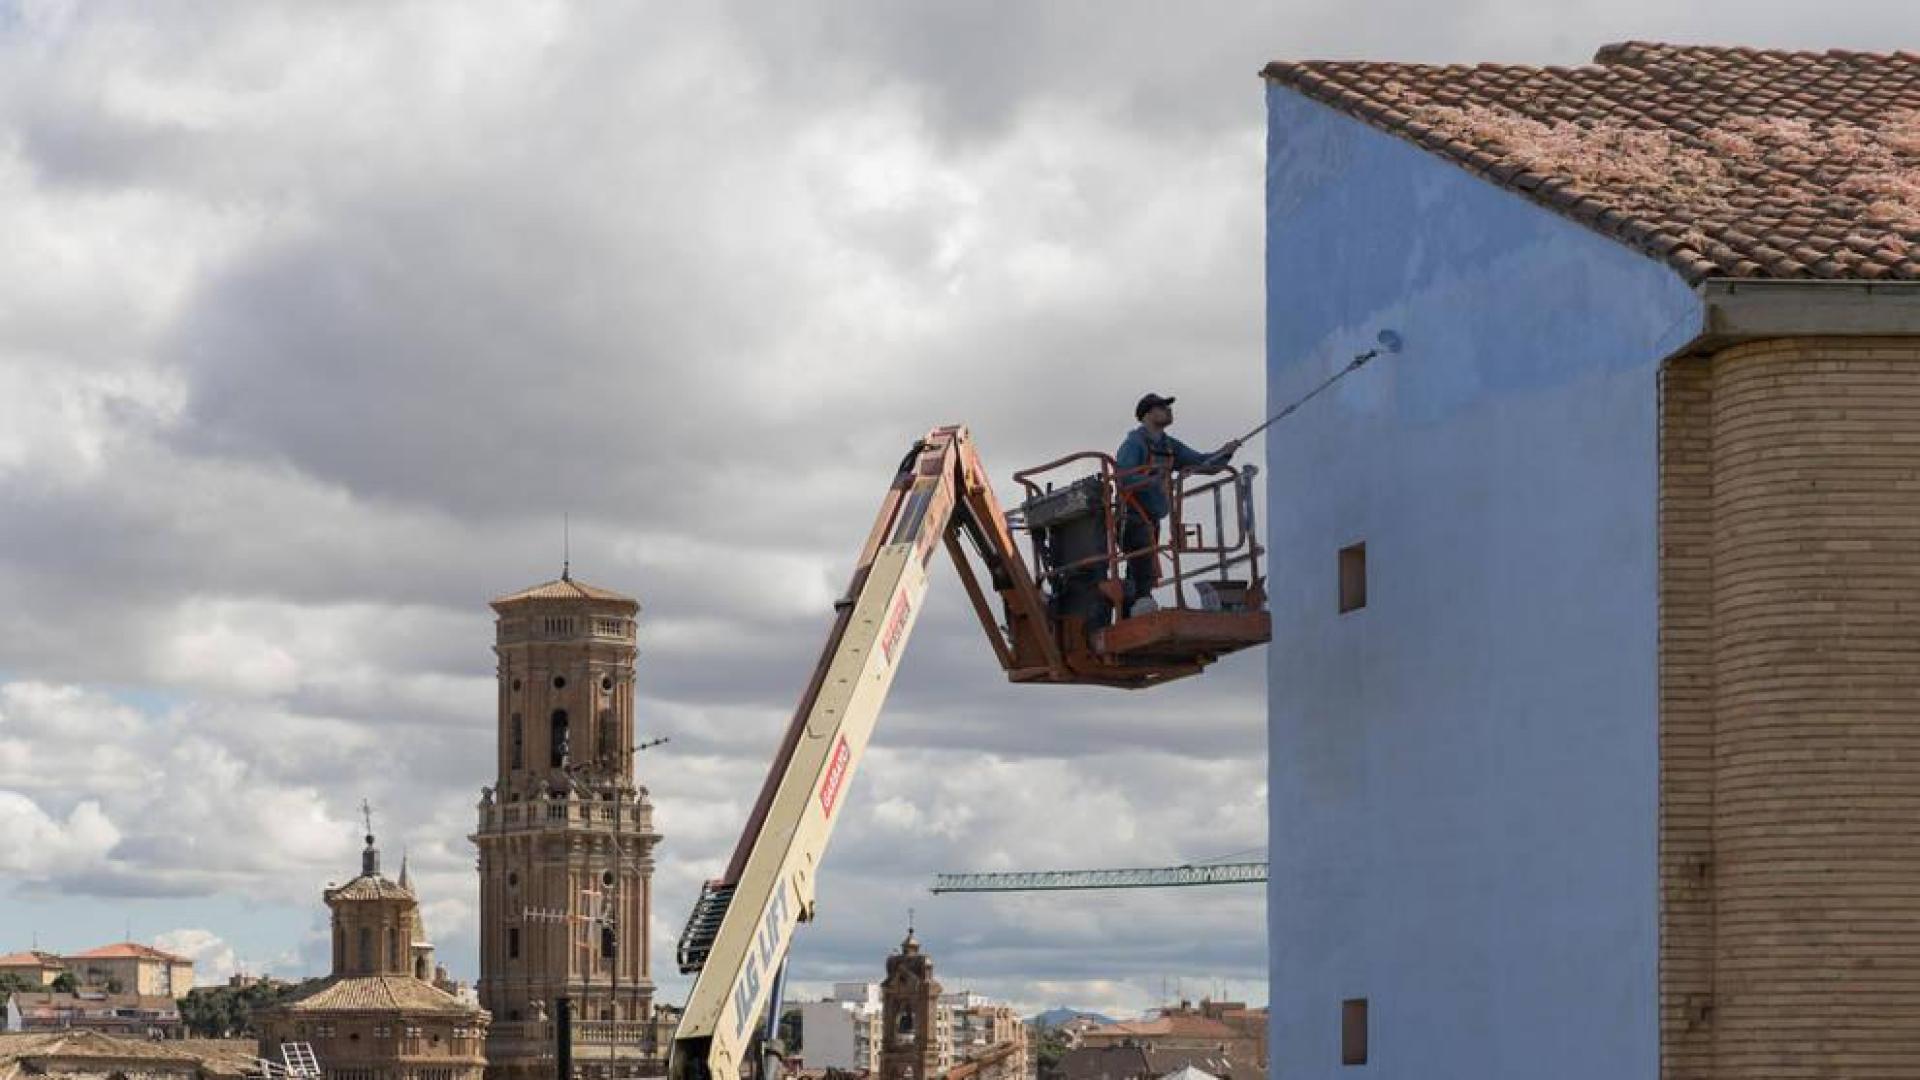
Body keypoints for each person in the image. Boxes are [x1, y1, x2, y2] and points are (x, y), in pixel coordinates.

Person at [1114, 393, 1240, 616]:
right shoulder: (1134, 444)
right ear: (1148, 413)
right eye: (1163, 407)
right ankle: (1142, 600)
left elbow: (1202, 463)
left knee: (1141, 562)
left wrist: (1225, 453)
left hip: (1152, 515)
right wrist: (1154, 481)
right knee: (1141, 556)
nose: (1169, 411)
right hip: (1131, 514)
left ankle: (1131, 609)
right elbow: (1123, 477)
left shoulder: (1170, 446)